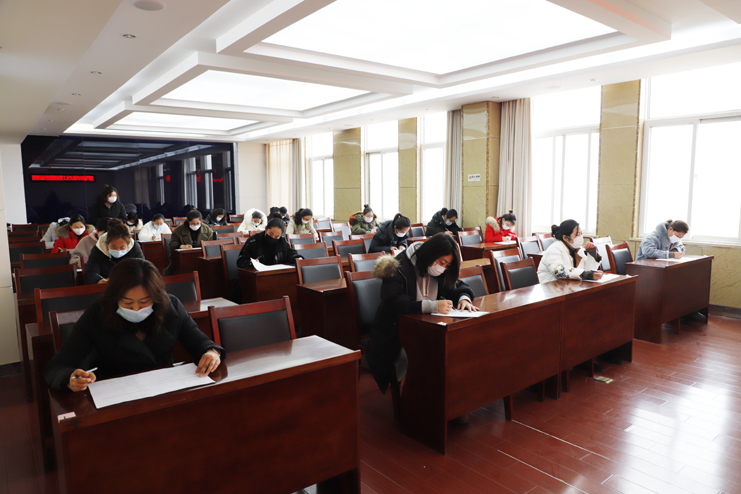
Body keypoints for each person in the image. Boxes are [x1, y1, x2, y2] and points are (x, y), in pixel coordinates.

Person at [45, 259, 224, 392]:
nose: (136, 309)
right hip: (114, 392)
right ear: (114, 296)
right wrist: (71, 378)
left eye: (144, 302)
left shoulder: (170, 306)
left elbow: (199, 341)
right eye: (128, 303)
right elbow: (56, 367)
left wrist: (211, 352)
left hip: (164, 386)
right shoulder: (98, 312)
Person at [364, 234, 477, 393]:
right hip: (394, 330)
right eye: (442, 262)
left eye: (447, 265)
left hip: (427, 327)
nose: (443, 267)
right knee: (432, 353)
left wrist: (464, 298)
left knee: (457, 347)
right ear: (430, 254)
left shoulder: (440, 270)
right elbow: (394, 302)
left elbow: (456, 285)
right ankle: (419, 398)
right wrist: (432, 306)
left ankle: (451, 397)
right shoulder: (397, 266)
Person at [537, 220, 603, 283]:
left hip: (567, 285)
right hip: (550, 286)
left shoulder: (577, 248)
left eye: (581, 233)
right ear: (565, 237)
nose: (580, 237)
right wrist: (585, 274)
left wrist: (592, 254)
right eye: (577, 234)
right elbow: (558, 271)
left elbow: (586, 269)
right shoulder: (554, 249)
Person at [85, 219, 145, 284]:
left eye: (122, 247)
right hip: (107, 286)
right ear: (107, 243)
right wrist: (99, 281)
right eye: (114, 247)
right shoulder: (98, 249)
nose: (118, 250)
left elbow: (142, 269)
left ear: (128, 245)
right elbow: (90, 273)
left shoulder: (134, 247)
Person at [236, 217, 302, 268]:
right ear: (266, 228)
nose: (273, 237)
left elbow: (291, 254)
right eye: (271, 234)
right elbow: (241, 261)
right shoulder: (254, 241)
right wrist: (251, 262)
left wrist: (297, 258)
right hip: (258, 276)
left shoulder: (282, 241)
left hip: (277, 274)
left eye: (277, 236)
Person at [164, 210, 215, 275]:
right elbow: (171, 244)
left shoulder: (207, 230)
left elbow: (211, 244)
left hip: (202, 257)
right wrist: (181, 246)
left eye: (198, 223)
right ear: (188, 221)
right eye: (193, 223)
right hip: (183, 259)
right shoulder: (178, 230)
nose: (195, 225)